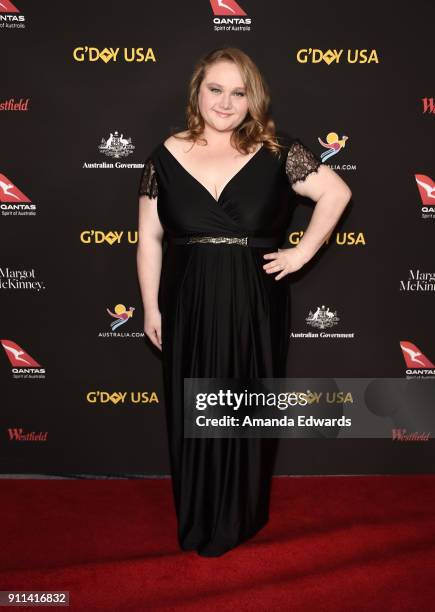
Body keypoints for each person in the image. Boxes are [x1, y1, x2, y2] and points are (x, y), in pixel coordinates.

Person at [136, 47, 352, 557]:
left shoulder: (279, 150)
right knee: (193, 405)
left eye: (239, 92)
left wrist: (300, 255)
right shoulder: (165, 155)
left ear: (252, 99)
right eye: (216, 89)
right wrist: (150, 306)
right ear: (198, 92)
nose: (226, 102)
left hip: (254, 298)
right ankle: (198, 516)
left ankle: (239, 516)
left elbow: (336, 194)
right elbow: (149, 238)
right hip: (187, 298)